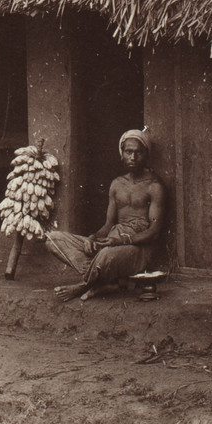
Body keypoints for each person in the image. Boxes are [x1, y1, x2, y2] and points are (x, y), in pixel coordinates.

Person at [51, 128, 165, 302]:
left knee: (105, 256)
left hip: (137, 248)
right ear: (122, 154)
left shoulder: (154, 187)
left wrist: (119, 242)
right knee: (53, 238)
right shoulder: (116, 184)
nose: (133, 158)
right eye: (128, 152)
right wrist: (93, 237)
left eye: (138, 153)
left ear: (146, 155)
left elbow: (154, 232)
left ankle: (84, 285)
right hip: (112, 242)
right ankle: (108, 281)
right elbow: (108, 225)